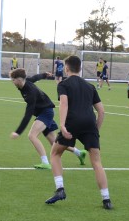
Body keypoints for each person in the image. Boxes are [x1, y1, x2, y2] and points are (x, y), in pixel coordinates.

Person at [45, 55, 112, 210]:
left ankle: (60, 189)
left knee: (55, 154)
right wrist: (95, 130)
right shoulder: (90, 86)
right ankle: (106, 199)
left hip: (72, 122)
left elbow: (64, 103)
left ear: (66, 68)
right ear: (80, 68)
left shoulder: (63, 84)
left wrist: (62, 125)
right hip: (90, 123)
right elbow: (101, 112)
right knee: (96, 162)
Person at [9, 68, 86, 169]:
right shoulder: (26, 82)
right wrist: (44, 74)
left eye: (13, 80)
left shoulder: (30, 93)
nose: (12, 82)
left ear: (19, 80)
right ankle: (79, 153)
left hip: (46, 113)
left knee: (32, 136)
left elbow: (28, 114)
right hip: (44, 112)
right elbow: (35, 78)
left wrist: (18, 132)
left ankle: (45, 162)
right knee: (55, 143)